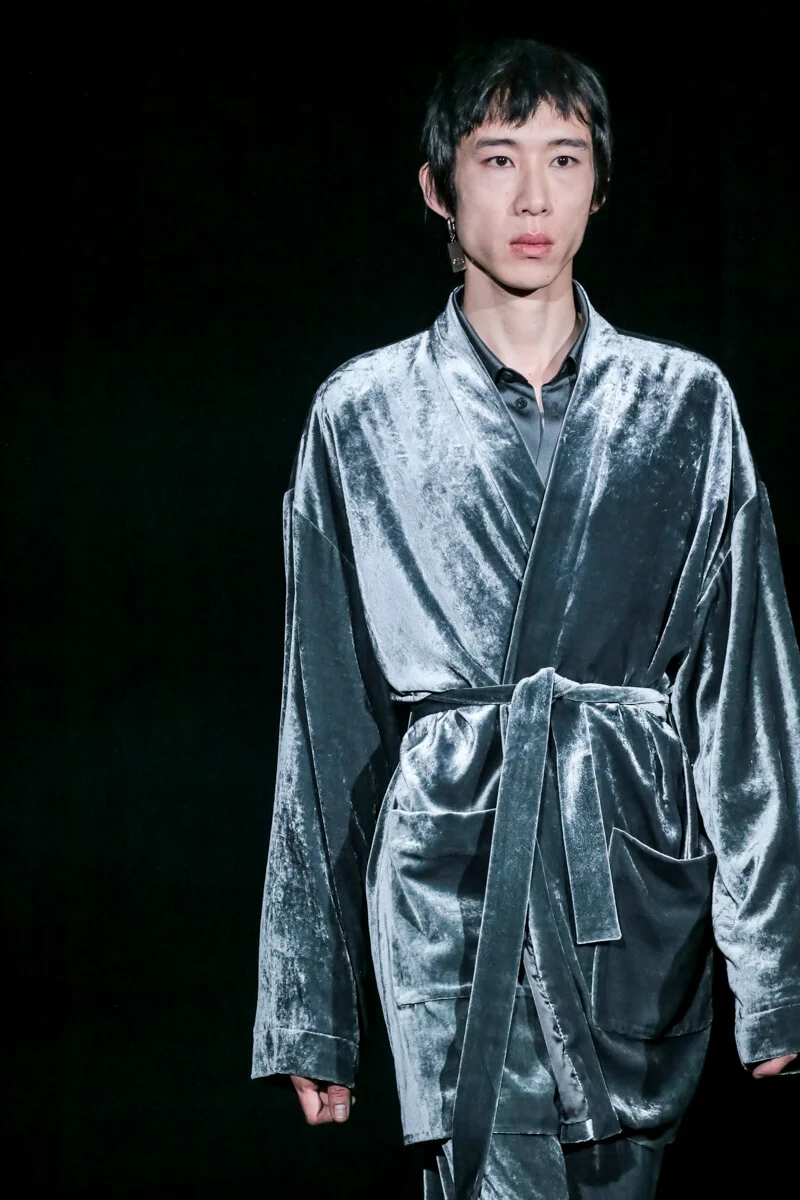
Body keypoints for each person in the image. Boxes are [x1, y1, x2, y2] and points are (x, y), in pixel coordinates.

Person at [251, 37, 800, 1199]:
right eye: (497, 159)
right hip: (451, 882)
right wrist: (310, 1005)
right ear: (436, 187)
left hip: (631, 886)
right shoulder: (361, 416)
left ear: (599, 185)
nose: (533, 197)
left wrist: (773, 972)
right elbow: (324, 721)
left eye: (564, 158)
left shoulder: (685, 406)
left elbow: (746, 712)